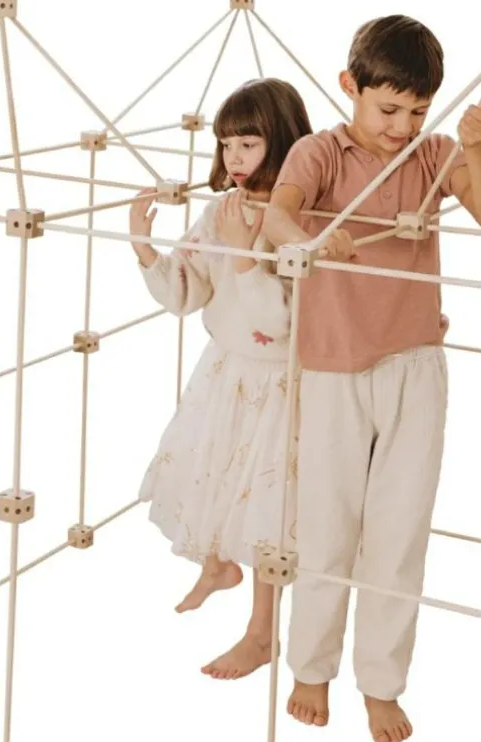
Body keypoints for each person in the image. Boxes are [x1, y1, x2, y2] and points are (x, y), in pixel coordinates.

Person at [262, 15, 481, 742]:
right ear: (351, 86)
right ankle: (311, 667)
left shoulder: (433, 155)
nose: (402, 127)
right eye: (388, 109)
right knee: (327, 525)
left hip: (413, 363)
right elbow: (276, 219)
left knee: (400, 532)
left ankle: (381, 681)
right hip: (333, 366)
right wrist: (314, 239)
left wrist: (476, 144)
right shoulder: (319, 152)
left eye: (417, 111)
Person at [131, 79, 313, 680]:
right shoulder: (221, 211)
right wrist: (145, 247)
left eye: (249, 144)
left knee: (267, 503)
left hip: (281, 382)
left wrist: (243, 253)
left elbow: (281, 321)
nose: (235, 158)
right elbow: (187, 292)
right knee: (213, 471)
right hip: (226, 372)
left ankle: (261, 633)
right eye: (227, 145)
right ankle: (216, 565)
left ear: (281, 141)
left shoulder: (300, 218)